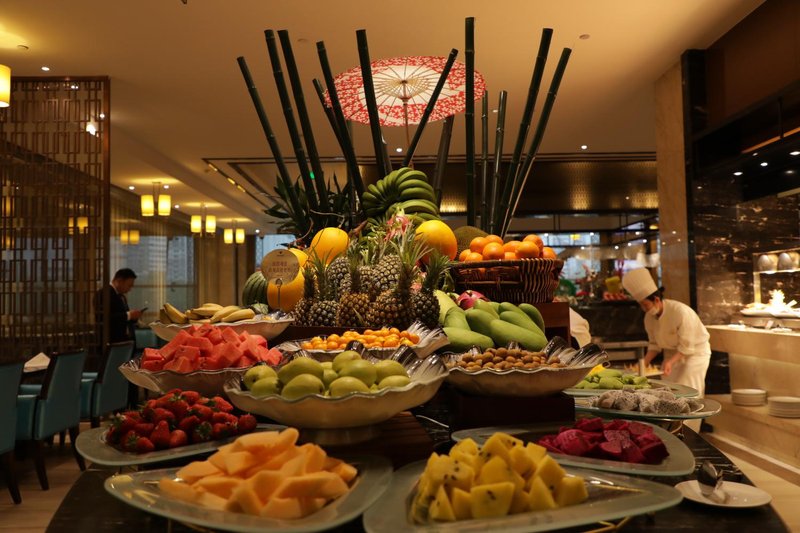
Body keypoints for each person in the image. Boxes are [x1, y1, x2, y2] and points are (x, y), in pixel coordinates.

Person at [621, 268, 711, 396]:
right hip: (672, 353)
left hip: (695, 353)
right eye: (641, 305)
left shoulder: (680, 312)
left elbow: (687, 347)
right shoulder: (649, 317)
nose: (644, 309)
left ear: (656, 300)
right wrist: (643, 363)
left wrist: (670, 362)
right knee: (669, 389)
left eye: (645, 305)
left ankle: (696, 410)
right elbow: (654, 345)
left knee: (688, 388)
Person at [95, 268, 144, 343]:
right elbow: (104, 318)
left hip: (123, 339)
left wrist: (133, 317)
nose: (130, 289)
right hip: (111, 340)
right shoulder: (104, 293)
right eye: (129, 285)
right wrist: (129, 315)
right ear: (119, 281)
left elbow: (123, 316)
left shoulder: (121, 296)